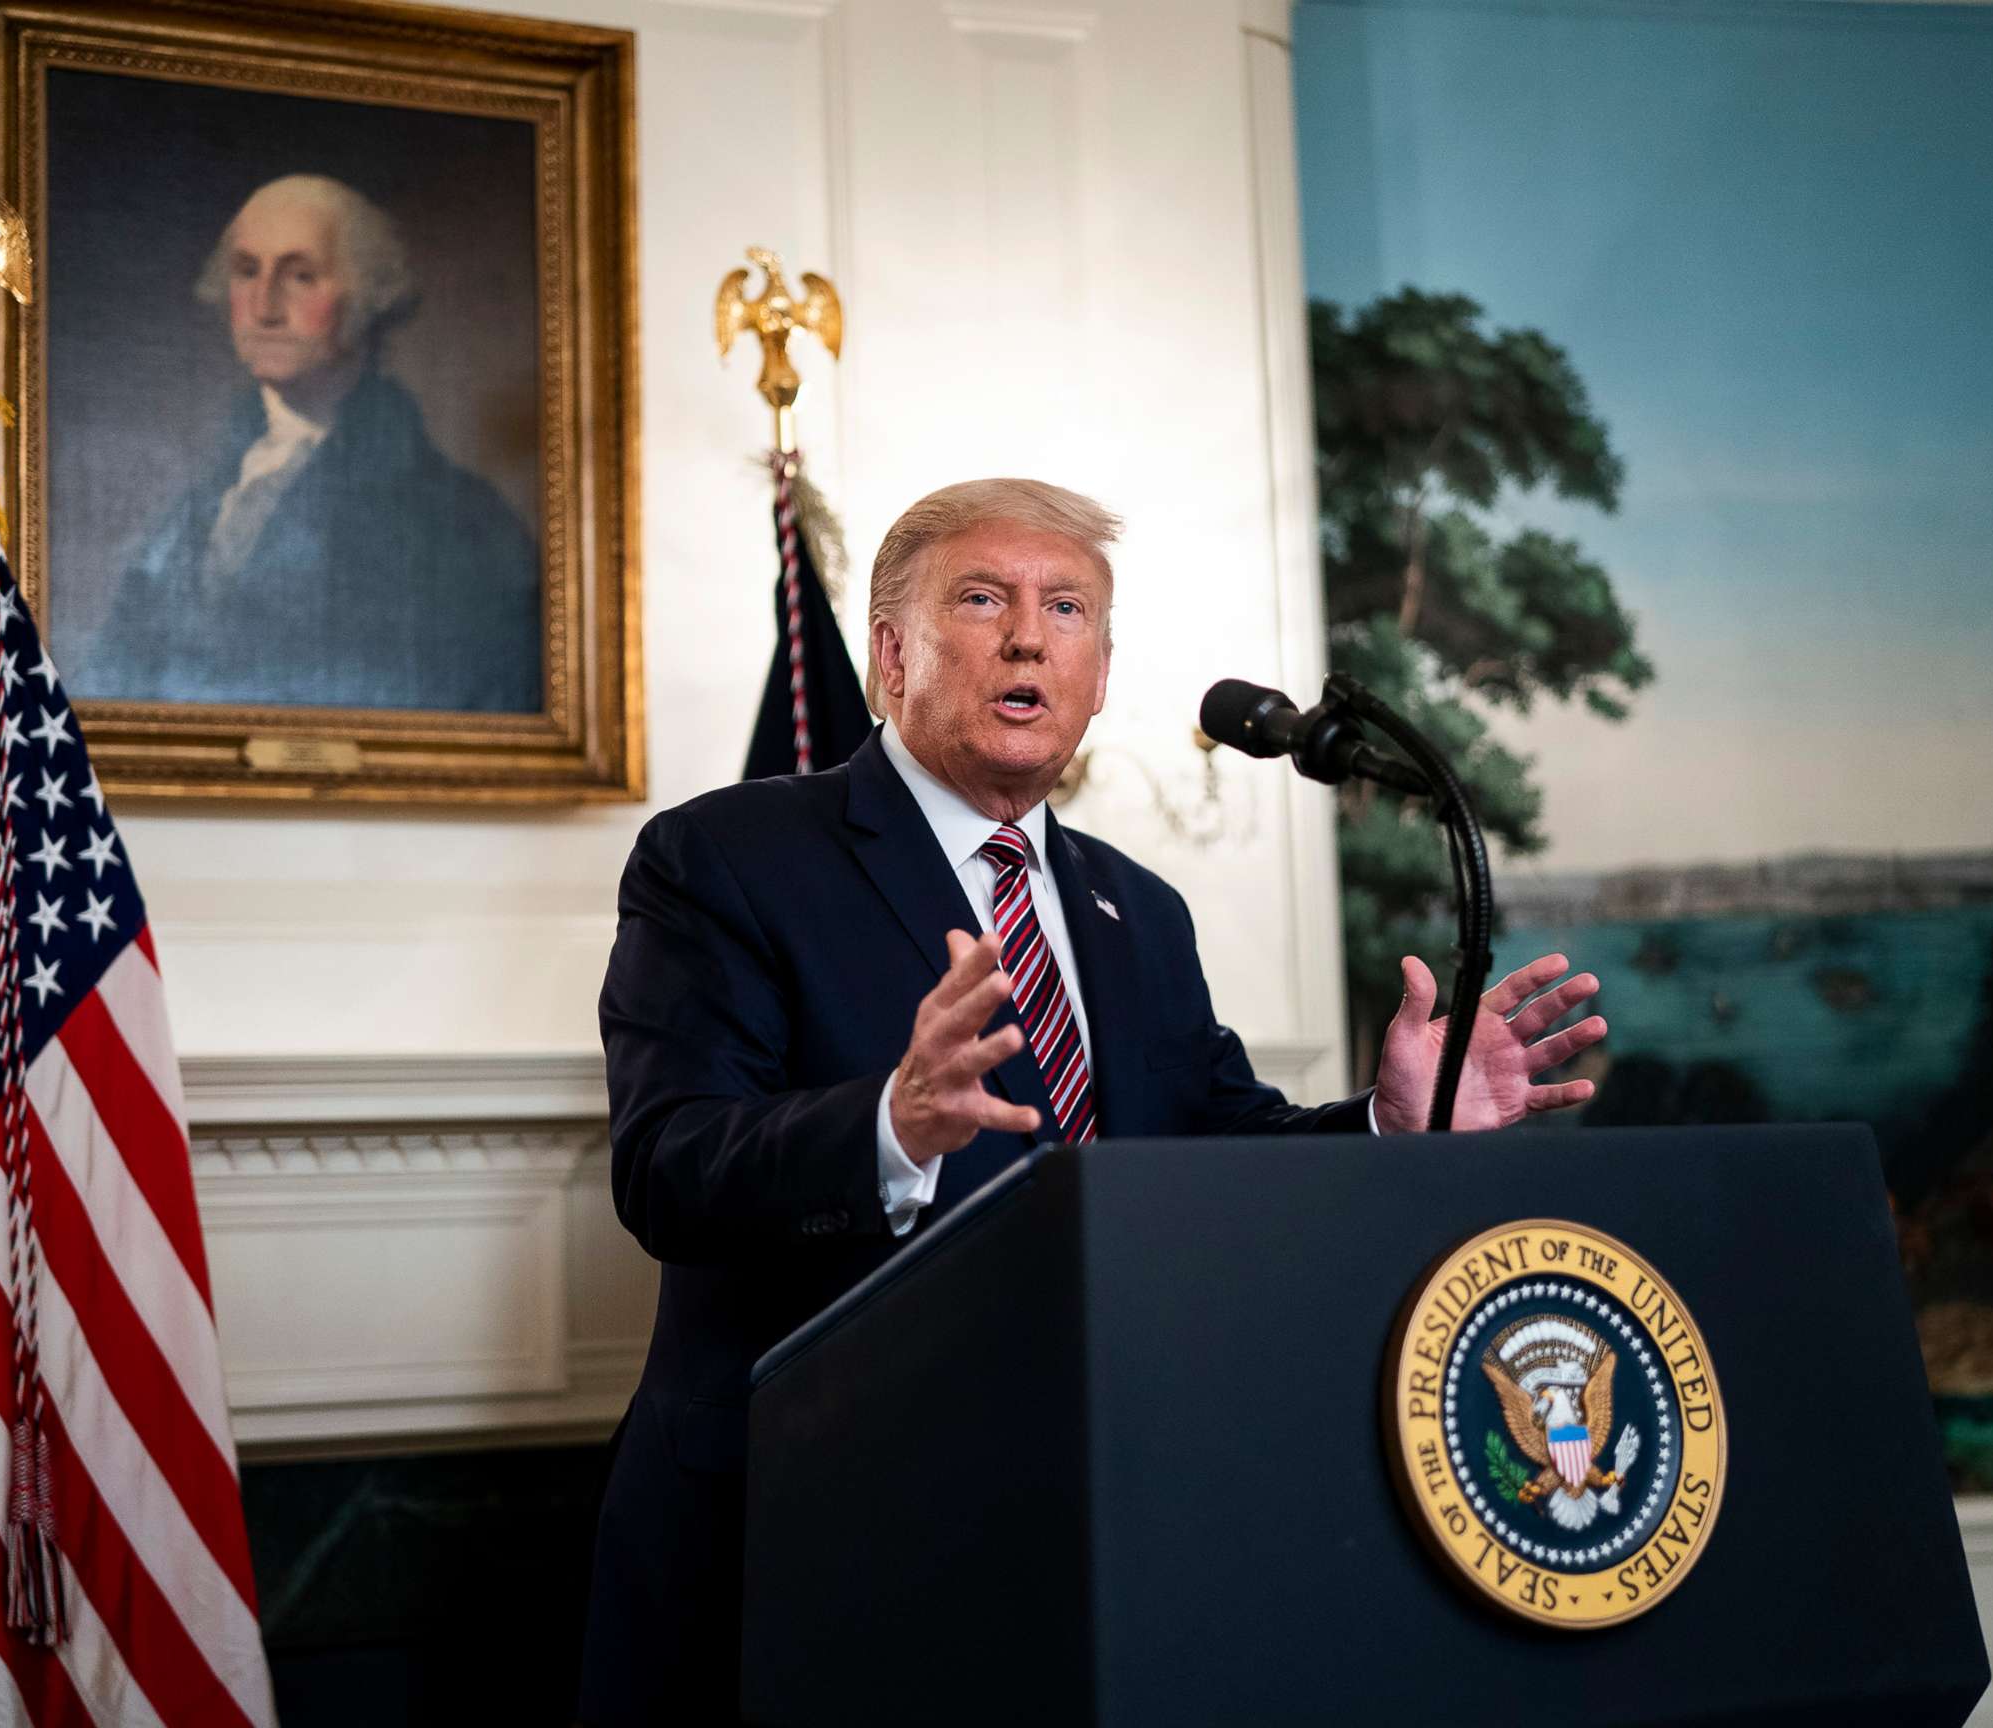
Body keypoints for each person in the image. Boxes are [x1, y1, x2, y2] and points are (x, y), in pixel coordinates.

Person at [579, 479, 1609, 1723]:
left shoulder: (1138, 911)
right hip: (802, 1530)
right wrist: (887, 1127)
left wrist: (1394, 1123)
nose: (1029, 637)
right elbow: (666, 1166)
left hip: (1079, 1528)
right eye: (983, 600)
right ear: (891, 656)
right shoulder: (727, 860)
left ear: (1101, 672)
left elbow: (1221, 1152)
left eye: (1066, 609)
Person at [70, 174, 542, 713]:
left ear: (366, 296)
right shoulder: (197, 499)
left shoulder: (462, 522)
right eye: (247, 271)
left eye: (300, 276)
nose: (265, 307)